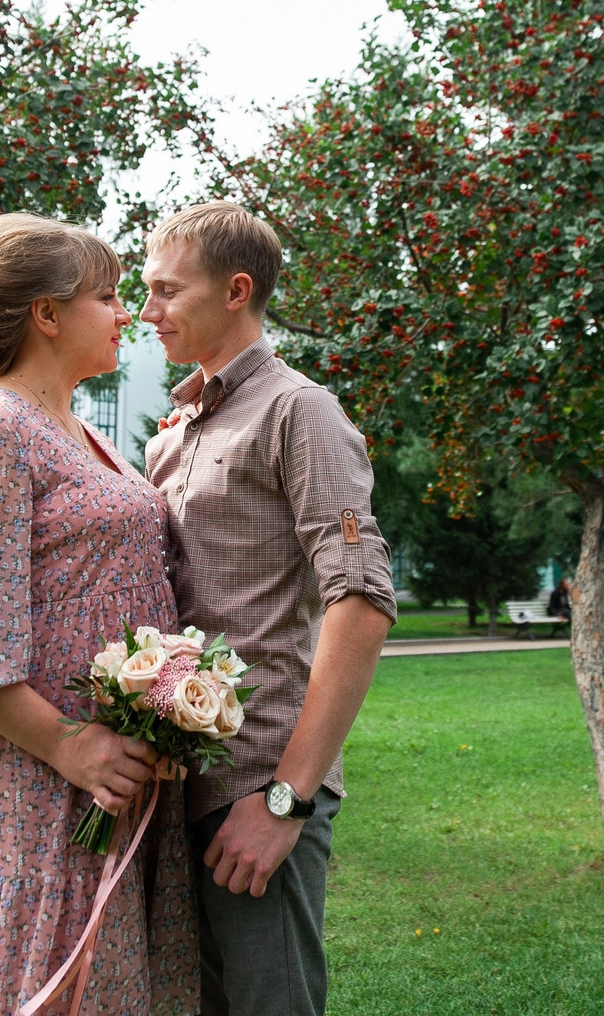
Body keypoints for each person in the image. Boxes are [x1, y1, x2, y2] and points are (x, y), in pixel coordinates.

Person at [0, 213, 195, 1015]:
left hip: (105, 791)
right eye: (107, 295)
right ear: (47, 314)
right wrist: (70, 744)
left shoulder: (84, 433)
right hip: (29, 801)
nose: (126, 312)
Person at [141, 201, 398, 1016]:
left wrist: (288, 799)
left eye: (164, 291)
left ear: (235, 290)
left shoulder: (302, 412)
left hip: (257, 791)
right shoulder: (172, 431)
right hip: (171, 789)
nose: (147, 311)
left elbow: (361, 600)